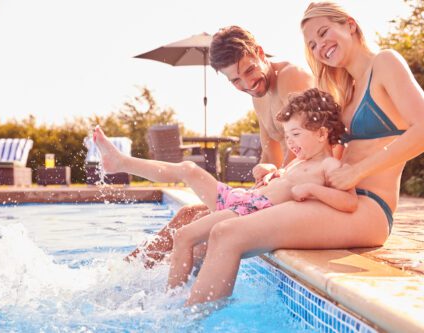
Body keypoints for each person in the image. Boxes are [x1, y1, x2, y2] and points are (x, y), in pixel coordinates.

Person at [179, 1, 424, 306]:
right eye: (312, 44)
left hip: (368, 209)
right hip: (330, 198)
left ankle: (189, 324)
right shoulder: (346, 87)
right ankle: (179, 305)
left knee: (228, 235)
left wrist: (356, 172)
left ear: (349, 24)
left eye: (324, 32)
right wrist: (281, 172)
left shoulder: (385, 63)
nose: (320, 46)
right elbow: (320, 151)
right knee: (210, 229)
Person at [93, 88, 357, 289]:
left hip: (250, 212)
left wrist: (314, 191)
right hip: (242, 200)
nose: (291, 143)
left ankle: (171, 297)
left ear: (322, 134)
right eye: (287, 136)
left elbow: (349, 202)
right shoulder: (301, 162)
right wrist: (274, 171)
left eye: (296, 135)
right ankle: (121, 162)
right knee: (188, 169)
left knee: (185, 235)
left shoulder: (329, 165)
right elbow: (284, 183)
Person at [126, 26, 315, 266]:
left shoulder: (292, 76)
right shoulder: (260, 96)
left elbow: (304, 146)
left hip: (305, 190)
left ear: (259, 52)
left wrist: (267, 187)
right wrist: (264, 174)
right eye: (236, 80)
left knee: (205, 230)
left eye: (249, 70)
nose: (248, 83)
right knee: (188, 214)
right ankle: (128, 273)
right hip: (283, 186)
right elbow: (271, 152)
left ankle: (166, 292)